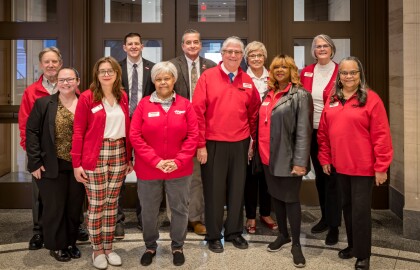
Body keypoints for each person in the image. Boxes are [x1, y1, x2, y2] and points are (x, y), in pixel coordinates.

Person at [318, 56, 393, 270]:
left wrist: (381, 167)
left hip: (363, 167)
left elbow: (381, 136)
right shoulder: (332, 99)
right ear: (339, 76)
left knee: (360, 212)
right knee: (347, 208)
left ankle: (363, 255)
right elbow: (323, 133)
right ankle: (352, 246)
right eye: (344, 73)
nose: (349, 76)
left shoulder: (371, 99)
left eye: (353, 72)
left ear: (360, 75)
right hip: (340, 166)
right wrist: (325, 158)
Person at [192, 36, 261, 253]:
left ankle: (233, 232)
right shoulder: (208, 77)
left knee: (237, 189)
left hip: (240, 143)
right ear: (222, 54)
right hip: (213, 144)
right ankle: (213, 235)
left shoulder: (247, 81)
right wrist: (200, 145)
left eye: (237, 52)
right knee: (213, 191)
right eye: (229, 51)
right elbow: (197, 113)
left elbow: (254, 114)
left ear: (242, 56)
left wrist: (252, 140)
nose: (233, 55)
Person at [130, 61, 198, 267]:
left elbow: (193, 135)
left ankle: (178, 246)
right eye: (158, 79)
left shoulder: (185, 105)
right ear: (154, 82)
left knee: (179, 209)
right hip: (149, 169)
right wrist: (156, 161)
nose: (162, 82)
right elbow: (135, 135)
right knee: (149, 210)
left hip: (180, 169)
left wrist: (178, 161)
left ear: (174, 80)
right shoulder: (144, 105)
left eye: (166, 78)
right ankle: (150, 246)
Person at [71, 56, 133, 269]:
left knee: (112, 204)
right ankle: (97, 249)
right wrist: (76, 163)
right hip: (94, 154)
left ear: (117, 73)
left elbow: (128, 128)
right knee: (97, 204)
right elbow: (78, 132)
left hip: (118, 152)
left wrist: (128, 157)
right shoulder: (88, 97)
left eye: (110, 70)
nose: (106, 74)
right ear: (97, 75)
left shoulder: (122, 96)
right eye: (102, 71)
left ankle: (109, 247)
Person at [255, 55, 313, 268]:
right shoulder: (267, 95)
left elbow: (304, 132)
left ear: (292, 70)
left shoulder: (300, 95)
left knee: (290, 200)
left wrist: (300, 162)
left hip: (288, 159)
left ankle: (296, 245)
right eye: (276, 67)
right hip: (267, 157)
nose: (280, 70)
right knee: (276, 198)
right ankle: (283, 235)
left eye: (284, 67)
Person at [26, 67, 86, 262]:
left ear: (78, 81)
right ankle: (56, 245)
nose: (65, 83)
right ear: (57, 82)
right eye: (62, 79)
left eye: (70, 79)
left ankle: (70, 243)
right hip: (50, 164)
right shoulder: (44, 103)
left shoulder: (85, 104)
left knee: (74, 206)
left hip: (78, 165)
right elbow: (32, 133)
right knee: (54, 207)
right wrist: (34, 163)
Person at [169, 29, 216, 235]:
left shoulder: (212, 67)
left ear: (200, 44)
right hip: (176, 128)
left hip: (203, 128)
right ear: (182, 45)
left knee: (197, 176)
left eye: (196, 42)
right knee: (174, 175)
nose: (192, 46)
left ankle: (196, 218)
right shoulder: (172, 66)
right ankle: (176, 218)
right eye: (188, 42)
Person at [18, 46, 63, 250]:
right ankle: (38, 231)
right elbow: (24, 126)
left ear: (60, 63)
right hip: (41, 153)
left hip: (66, 152)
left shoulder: (70, 88)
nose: (51, 65)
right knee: (39, 194)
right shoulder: (31, 92)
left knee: (70, 190)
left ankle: (75, 225)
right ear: (41, 65)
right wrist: (32, 154)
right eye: (47, 62)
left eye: (54, 61)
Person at [300, 34, 341, 245]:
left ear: (332, 49)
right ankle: (325, 217)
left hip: (334, 133)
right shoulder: (306, 72)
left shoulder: (342, 71)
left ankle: (334, 225)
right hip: (312, 132)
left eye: (326, 45)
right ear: (313, 50)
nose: (322, 49)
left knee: (332, 178)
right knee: (320, 177)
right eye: (318, 46)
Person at [116, 32, 156, 238]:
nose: (133, 47)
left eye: (136, 44)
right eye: (129, 44)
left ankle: (144, 218)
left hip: (145, 125)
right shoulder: (116, 68)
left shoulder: (153, 67)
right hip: (121, 124)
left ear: (142, 46)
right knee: (118, 175)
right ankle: (117, 220)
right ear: (124, 47)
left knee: (145, 175)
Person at [243, 41, 277, 234]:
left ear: (265, 57)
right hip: (246, 133)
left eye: (259, 55)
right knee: (249, 176)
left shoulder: (273, 78)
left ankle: (265, 212)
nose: (256, 59)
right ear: (247, 58)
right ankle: (250, 216)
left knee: (266, 175)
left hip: (269, 134)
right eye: (252, 55)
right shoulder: (241, 78)